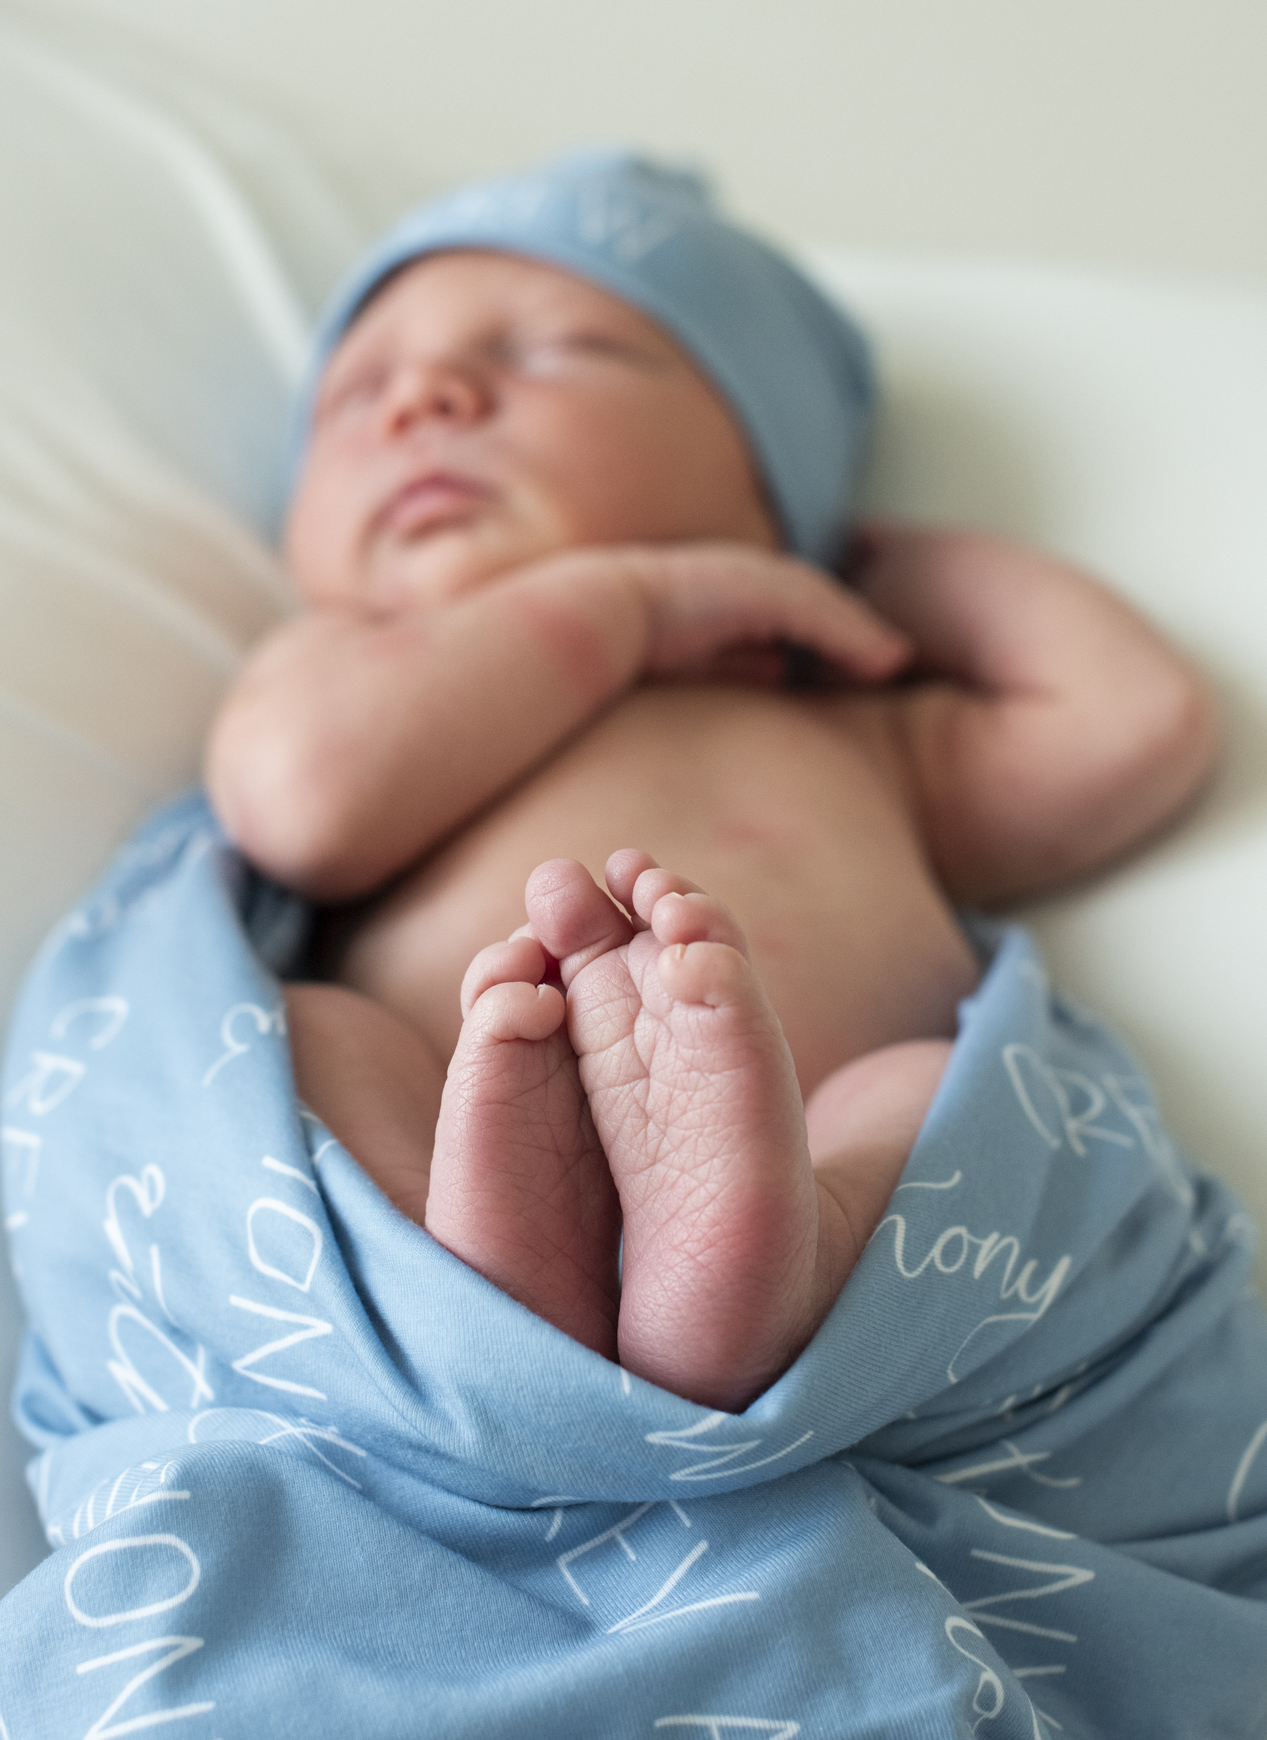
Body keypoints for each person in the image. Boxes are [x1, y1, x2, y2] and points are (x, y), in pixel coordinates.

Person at [205, 149, 1217, 1417]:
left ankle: (752, 1269)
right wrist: (631, 599)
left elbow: (1132, 722)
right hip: (440, 1124)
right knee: (311, 1036)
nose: (423, 399)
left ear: (762, 479)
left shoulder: (850, 724)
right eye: (356, 393)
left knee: (926, 1093)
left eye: (551, 353)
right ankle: (481, 1273)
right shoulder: (349, 664)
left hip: (801, 1160)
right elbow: (301, 810)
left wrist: (863, 564)